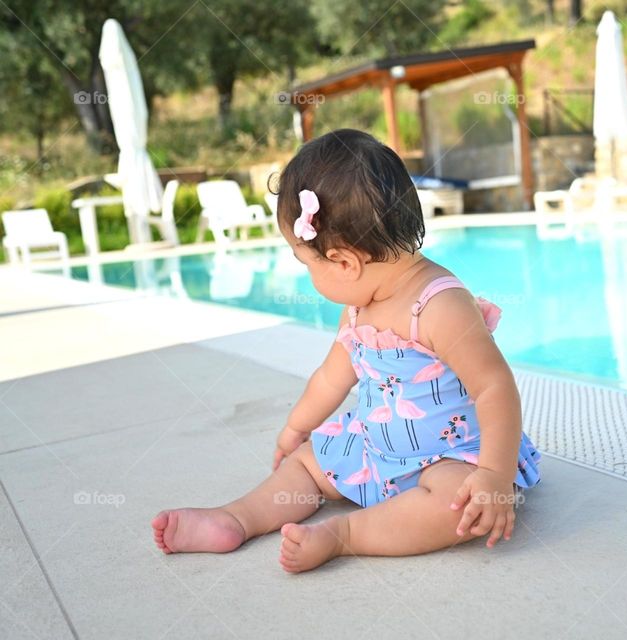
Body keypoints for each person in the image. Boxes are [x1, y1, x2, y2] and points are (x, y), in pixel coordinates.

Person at [152, 129, 542, 573]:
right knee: (305, 464)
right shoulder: (359, 309)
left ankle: (345, 534)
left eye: (307, 263)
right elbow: (331, 378)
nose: (309, 275)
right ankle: (236, 518)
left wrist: (493, 475)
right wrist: (297, 428)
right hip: (375, 445)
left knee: (458, 507)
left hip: (448, 455)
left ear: (343, 261)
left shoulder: (439, 305)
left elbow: (494, 388)